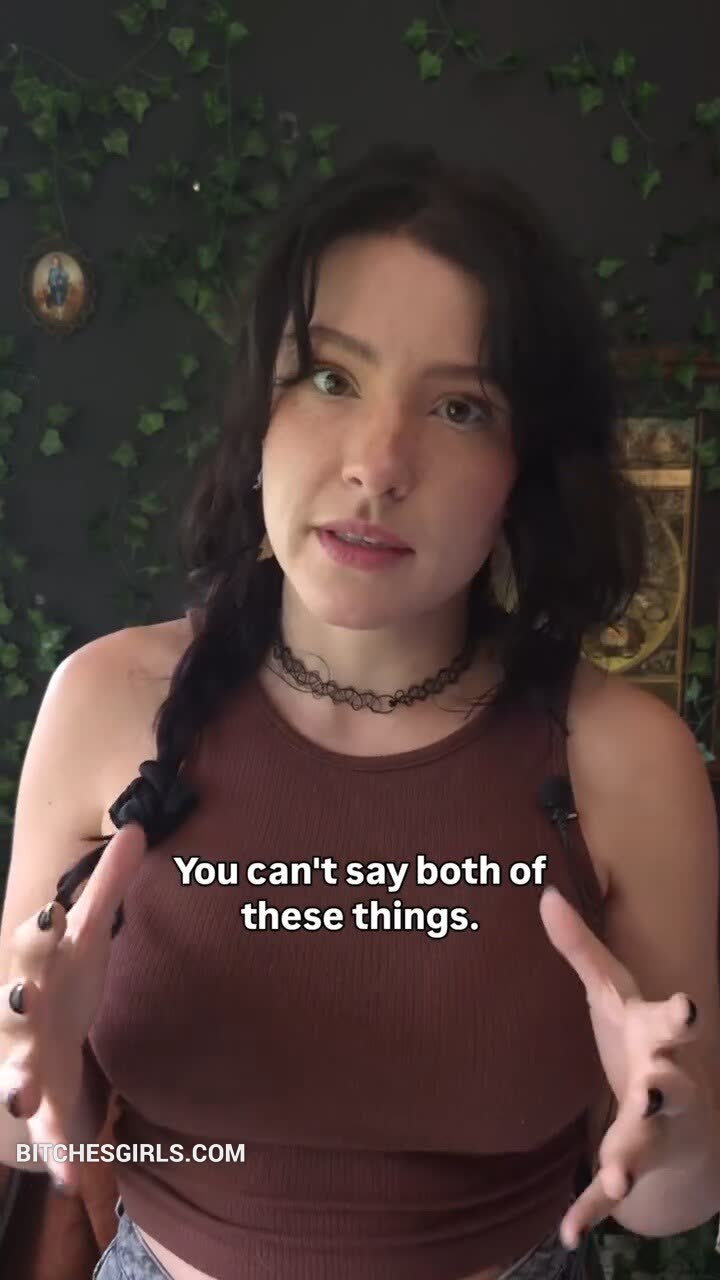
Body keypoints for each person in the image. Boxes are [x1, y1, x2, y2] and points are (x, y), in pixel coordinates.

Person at [1, 140, 712, 1280]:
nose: (380, 464)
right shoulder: (105, 705)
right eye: (332, 378)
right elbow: (33, 1138)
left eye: (461, 407)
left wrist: (668, 1116)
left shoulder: (625, 758)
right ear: (260, 415)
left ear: (524, 472)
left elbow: (676, 1198)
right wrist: (52, 1076)